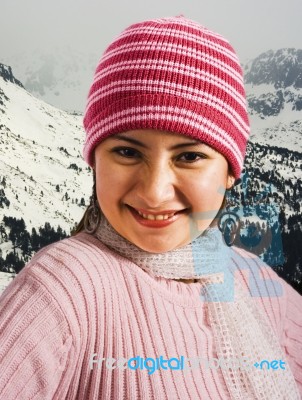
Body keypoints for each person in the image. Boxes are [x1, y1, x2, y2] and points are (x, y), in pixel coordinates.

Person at [0, 15, 301, 400]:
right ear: (95, 161)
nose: (155, 193)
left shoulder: (252, 280)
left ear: (230, 171)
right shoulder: (62, 291)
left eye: (189, 156)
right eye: (127, 151)